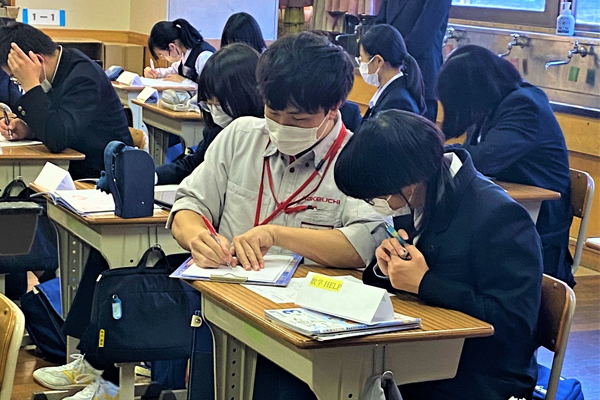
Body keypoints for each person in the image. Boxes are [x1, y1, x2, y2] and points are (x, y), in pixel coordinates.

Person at [333, 110, 543, 400]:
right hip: (422, 352)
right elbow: (403, 275)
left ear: (409, 181)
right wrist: (385, 266)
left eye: (379, 196)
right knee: (336, 373)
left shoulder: (498, 215)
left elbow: (514, 323)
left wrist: (424, 283)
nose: (380, 204)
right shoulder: (419, 195)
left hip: (481, 374)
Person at [436, 45, 574, 287]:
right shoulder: (495, 102)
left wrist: (426, 150)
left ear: (474, 91)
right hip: (509, 210)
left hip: (539, 225)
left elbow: (481, 159)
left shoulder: (524, 105)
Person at [0, 23, 132, 180]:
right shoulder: (60, 68)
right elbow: (59, 122)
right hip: (70, 168)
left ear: (37, 60)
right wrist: (28, 130)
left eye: (17, 77)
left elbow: (57, 139)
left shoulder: (84, 78)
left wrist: (31, 85)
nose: (19, 83)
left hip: (101, 176)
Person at [156, 43, 263, 185]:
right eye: (208, 104)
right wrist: (153, 176)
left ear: (245, 95)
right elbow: (192, 166)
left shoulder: (265, 136)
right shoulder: (216, 129)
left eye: (218, 104)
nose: (213, 111)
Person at [375, 0, 452, 122]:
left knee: (417, 133)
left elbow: (423, 34)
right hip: (390, 72)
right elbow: (380, 24)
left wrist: (394, 57)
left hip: (421, 73)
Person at [358, 24, 426, 121]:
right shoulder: (389, 90)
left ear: (378, 61)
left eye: (362, 59)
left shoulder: (398, 102)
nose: (361, 64)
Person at [144, 19, 216, 85]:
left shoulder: (203, 56)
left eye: (162, 54)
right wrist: (156, 73)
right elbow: (175, 70)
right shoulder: (184, 53)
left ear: (172, 47)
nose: (162, 58)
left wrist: (184, 82)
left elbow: (209, 91)